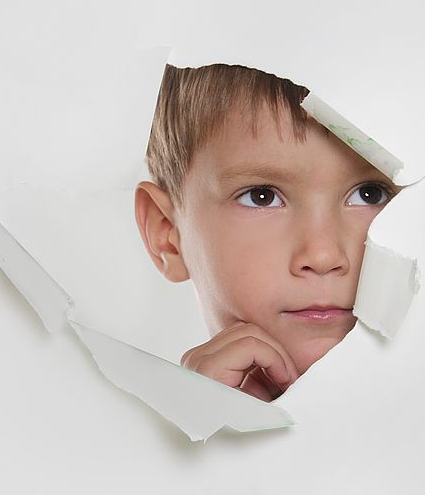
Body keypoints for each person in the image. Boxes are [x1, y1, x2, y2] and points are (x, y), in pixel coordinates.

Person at [134, 64, 396, 402]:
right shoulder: (141, 445)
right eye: (262, 196)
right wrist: (199, 432)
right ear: (167, 234)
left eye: (370, 194)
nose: (323, 256)